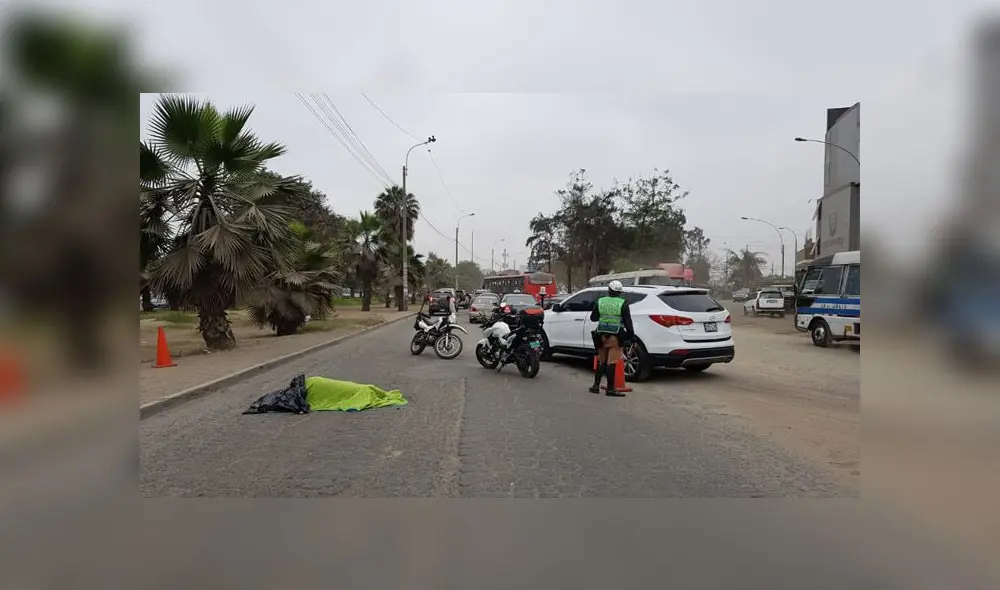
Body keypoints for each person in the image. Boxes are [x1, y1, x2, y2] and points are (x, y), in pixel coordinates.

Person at [589, 280, 634, 396]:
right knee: (611, 362)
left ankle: (595, 386)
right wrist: (632, 337)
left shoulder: (600, 301)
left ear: (609, 290)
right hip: (615, 336)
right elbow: (628, 322)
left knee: (601, 361)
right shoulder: (623, 303)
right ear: (620, 292)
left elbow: (593, 318)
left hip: (600, 335)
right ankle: (610, 389)